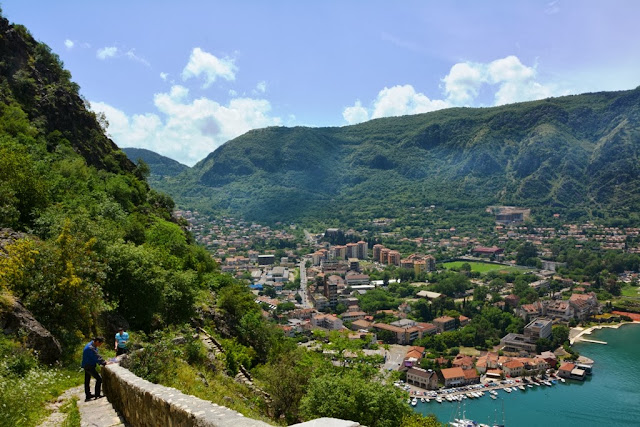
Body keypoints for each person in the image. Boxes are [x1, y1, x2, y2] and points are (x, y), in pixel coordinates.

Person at [81, 337, 107, 402]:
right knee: (99, 379)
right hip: (89, 366)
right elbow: (96, 357)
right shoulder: (91, 348)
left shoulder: (90, 345)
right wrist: (103, 362)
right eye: (100, 343)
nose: (100, 345)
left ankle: (88, 395)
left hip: (86, 365)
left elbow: (96, 355)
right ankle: (97, 394)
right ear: (97, 341)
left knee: (87, 381)